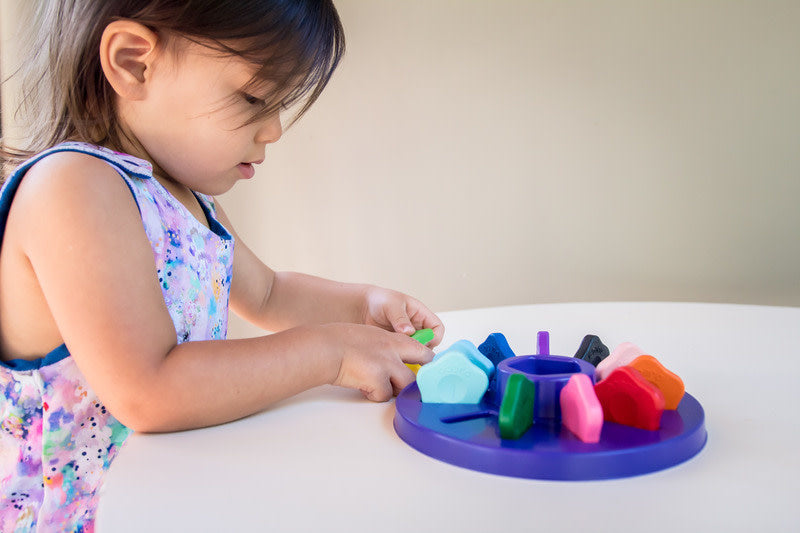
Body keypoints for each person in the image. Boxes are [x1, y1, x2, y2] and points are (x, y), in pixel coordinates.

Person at [0, 1, 443, 530]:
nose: (274, 130)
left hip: (167, 502)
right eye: (254, 97)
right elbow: (149, 389)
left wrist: (361, 308)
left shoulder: (180, 196)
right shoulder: (72, 188)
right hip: (82, 518)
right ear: (134, 62)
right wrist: (333, 352)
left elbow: (269, 294)